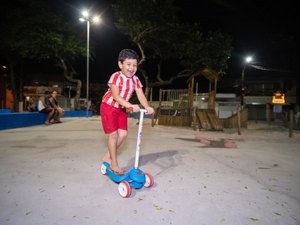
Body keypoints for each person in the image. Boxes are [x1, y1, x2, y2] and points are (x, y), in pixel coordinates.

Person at [100, 49, 154, 175]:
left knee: (123, 135)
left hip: (121, 108)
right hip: (109, 106)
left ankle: (107, 156)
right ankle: (113, 163)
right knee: (113, 135)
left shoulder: (135, 80)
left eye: (134, 65)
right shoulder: (116, 76)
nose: (132, 68)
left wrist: (147, 106)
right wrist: (130, 105)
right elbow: (116, 96)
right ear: (120, 64)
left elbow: (141, 95)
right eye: (128, 64)